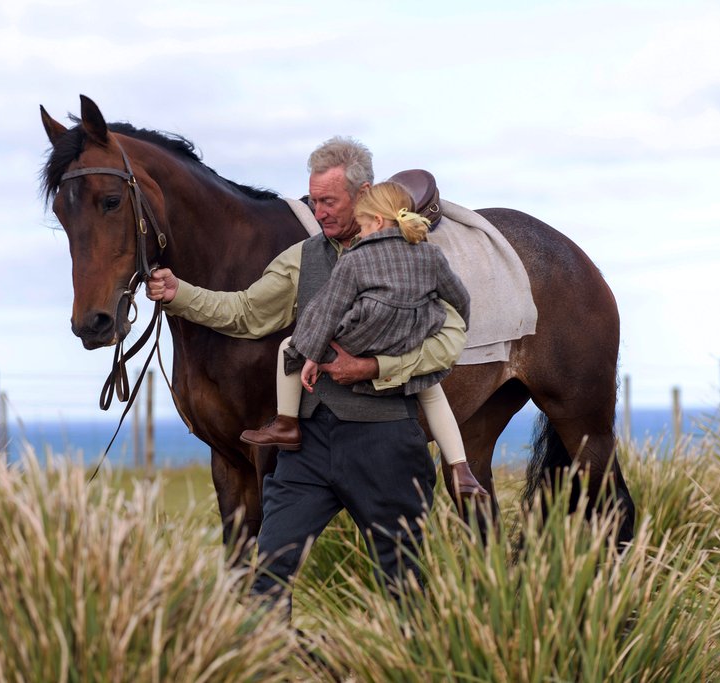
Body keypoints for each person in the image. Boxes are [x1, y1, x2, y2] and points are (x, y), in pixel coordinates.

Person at [146, 136, 477, 611]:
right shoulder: (304, 258)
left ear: (363, 197)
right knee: (266, 574)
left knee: (407, 589)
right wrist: (180, 293)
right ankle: (267, 666)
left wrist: (377, 366)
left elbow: (449, 338)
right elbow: (246, 312)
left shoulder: (415, 260)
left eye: (328, 201)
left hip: (385, 444)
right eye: (314, 200)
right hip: (309, 446)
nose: (317, 212)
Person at [239, 180, 487, 497]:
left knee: (289, 346)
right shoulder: (431, 255)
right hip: (412, 336)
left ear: (378, 222)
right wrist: (441, 327)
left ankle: (286, 423)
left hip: (364, 339)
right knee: (431, 389)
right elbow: (460, 300)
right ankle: (461, 470)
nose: (360, 232)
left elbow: (328, 311)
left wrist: (310, 354)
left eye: (364, 224)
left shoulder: (356, 259)